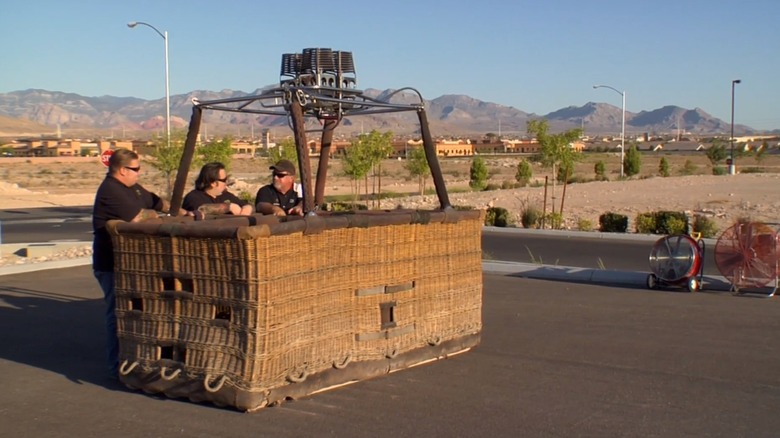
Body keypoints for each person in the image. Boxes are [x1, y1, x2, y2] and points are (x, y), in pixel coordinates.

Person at [92, 148, 180, 380]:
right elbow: (138, 216)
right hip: (111, 263)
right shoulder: (111, 191)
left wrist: (180, 211)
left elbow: (157, 202)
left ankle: (137, 359)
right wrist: (162, 217)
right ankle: (116, 365)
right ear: (122, 170)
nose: (139, 173)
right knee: (117, 313)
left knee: (136, 310)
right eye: (136, 169)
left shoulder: (133, 188)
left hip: (132, 263)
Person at [182, 162, 253, 216]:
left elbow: (245, 205)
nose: (226, 183)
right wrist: (228, 207)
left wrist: (246, 209)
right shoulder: (193, 197)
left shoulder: (226, 195)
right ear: (214, 183)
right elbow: (201, 209)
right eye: (224, 180)